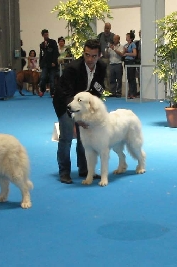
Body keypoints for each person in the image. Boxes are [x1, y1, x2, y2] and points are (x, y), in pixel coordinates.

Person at [52, 39, 106, 184]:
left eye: (94, 56)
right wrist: (78, 118)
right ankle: (64, 172)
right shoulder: (73, 68)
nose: (90, 59)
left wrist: (92, 111)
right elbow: (67, 95)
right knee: (67, 136)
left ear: (99, 55)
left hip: (82, 105)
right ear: (83, 53)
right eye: (87, 55)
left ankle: (84, 169)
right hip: (65, 103)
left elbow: (98, 90)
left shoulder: (101, 67)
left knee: (85, 138)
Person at [38, 29, 59, 97]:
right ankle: (42, 90)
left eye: (47, 34)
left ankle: (52, 92)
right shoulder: (41, 45)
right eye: (45, 35)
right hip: (45, 64)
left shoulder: (53, 42)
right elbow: (41, 54)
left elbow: (56, 53)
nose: (46, 36)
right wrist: (40, 63)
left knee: (52, 78)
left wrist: (54, 62)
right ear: (42, 35)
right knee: (43, 77)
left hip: (52, 64)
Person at [97, 22, 114, 89]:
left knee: (109, 75)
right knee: (102, 74)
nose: (106, 29)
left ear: (110, 28)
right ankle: (103, 90)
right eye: (105, 28)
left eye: (108, 28)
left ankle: (109, 90)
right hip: (101, 58)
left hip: (110, 59)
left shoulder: (113, 36)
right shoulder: (100, 35)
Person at [123, 30, 138, 99]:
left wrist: (127, 53)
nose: (126, 37)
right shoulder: (126, 45)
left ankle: (133, 93)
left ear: (131, 38)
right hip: (126, 62)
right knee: (129, 78)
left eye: (128, 36)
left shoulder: (133, 44)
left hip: (131, 62)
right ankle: (130, 92)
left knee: (132, 78)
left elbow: (134, 54)